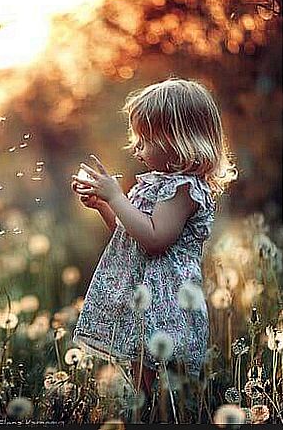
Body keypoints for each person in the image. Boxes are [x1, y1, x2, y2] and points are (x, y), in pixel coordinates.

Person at [70, 78, 237, 413]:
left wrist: (116, 196)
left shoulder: (184, 190)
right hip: (144, 301)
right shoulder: (156, 185)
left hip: (168, 302)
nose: (136, 148)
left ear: (178, 142)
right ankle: (146, 414)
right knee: (142, 387)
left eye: (145, 140)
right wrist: (105, 205)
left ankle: (165, 416)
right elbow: (131, 236)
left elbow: (156, 239)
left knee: (165, 388)